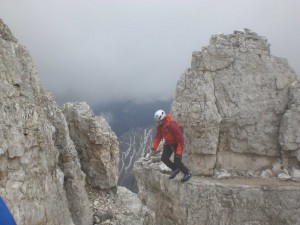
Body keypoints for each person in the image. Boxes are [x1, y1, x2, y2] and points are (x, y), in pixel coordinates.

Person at [150, 109, 191, 183]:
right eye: (157, 122)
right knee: (164, 158)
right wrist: (153, 148)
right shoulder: (160, 127)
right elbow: (158, 137)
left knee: (177, 161)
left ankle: (187, 173)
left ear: (162, 119)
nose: (157, 123)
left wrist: (178, 152)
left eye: (158, 121)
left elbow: (180, 140)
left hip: (177, 144)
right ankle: (175, 169)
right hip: (169, 143)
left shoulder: (172, 125)